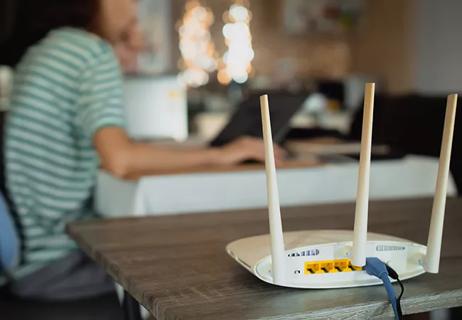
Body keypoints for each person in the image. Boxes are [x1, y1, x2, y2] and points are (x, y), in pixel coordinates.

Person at [4, 0, 284, 300]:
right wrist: (220, 155)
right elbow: (121, 160)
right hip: (57, 262)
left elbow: (117, 151)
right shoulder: (89, 51)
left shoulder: (45, 49)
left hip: (35, 255)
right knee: (215, 264)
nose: (135, 7)